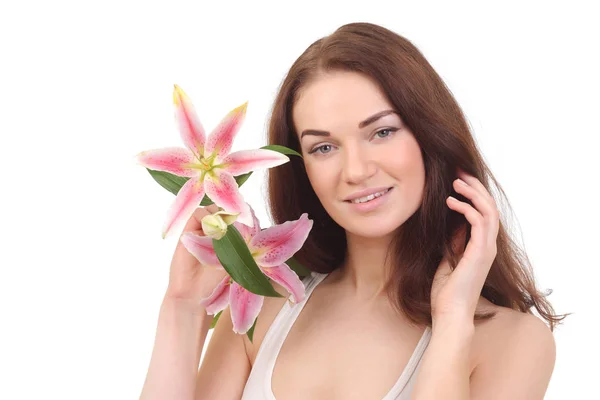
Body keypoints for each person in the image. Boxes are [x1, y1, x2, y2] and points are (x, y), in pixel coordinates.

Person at [139, 22, 569, 400]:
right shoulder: (266, 305)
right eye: (323, 147)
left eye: (381, 132)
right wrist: (183, 308)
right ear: (303, 168)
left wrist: (454, 321)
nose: (357, 171)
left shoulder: (513, 341)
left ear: (429, 136)